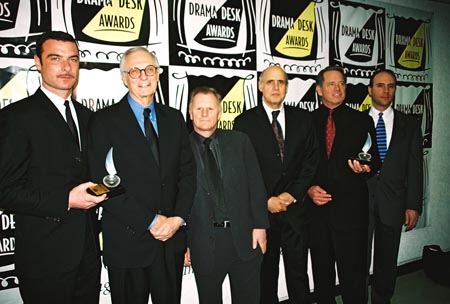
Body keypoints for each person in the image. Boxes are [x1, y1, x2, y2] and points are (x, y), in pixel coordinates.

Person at [0, 31, 106, 304]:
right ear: (38, 62)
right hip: (43, 258)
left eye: (73, 59)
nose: (66, 67)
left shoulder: (89, 117)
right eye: (55, 58)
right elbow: (5, 191)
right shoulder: (16, 118)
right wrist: (66, 200)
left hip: (88, 254)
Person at [88, 47, 196, 304]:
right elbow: (103, 185)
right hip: (127, 243)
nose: (143, 76)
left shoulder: (174, 118)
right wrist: (150, 221)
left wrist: (177, 219)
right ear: (124, 77)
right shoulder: (103, 121)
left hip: (170, 243)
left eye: (149, 69)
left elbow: (188, 173)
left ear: (158, 74)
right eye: (134, 71)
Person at [234, 65, 319, 303]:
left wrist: (292, 194)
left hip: (296, 212)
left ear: (286, 87)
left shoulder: (303, 119)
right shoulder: (244, 123)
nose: (275, 87)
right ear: (260, 86)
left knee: (298, 276)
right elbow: (241, 171)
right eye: (270, 82)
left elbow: (311, 161)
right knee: (265, 276)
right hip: (262, 216)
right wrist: (265, 201)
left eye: (281, 82)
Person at [184, 86, 269, 303]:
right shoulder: (179, 148)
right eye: (199, 108)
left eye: (210, 108)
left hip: (244, 237)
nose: (204, 114)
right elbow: (175, 199)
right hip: (203, 241)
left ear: (220, 112)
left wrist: (260, 226)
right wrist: (183, 242)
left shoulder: (240, 141)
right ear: (190, 112)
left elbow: (256, 185)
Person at [306, 65, 380, 304]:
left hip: (351, 213)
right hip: (317, 213)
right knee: (322, 275)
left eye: (342, 84)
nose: (338, 89)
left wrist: (367, 168)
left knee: (354, 276)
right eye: (331, 84)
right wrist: (308, 189)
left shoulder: (362, 120)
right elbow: (296, 164)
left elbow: (374, 159)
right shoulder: (305, 122)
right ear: (319, 89)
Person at [366, 69, 423, 304]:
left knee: (387, 259)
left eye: (390, 86)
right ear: (370, 90)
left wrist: (413, 205)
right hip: (360, 201)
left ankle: (382, 299)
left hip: (393, 202)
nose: (386, 90)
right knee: (358, 258)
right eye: (380, 85)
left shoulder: (409, 124)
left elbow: (415, 167)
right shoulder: (355, 122)